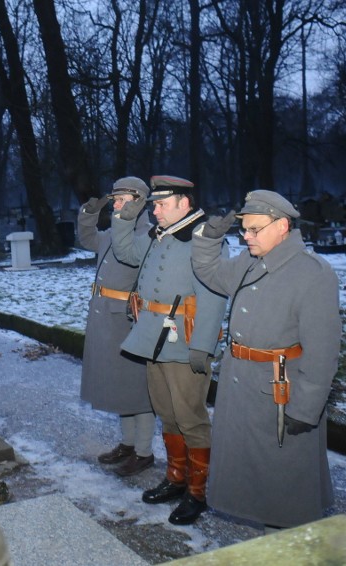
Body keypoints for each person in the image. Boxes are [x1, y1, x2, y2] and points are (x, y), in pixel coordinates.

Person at [191, 190, 342, 530]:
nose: (246, 237)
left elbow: (323, 352)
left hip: (280, 390)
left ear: (282, 226)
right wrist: (209, 239)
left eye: (254, 229)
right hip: (240, 381)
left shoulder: (313, 273)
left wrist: (305, 408)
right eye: (244, 229)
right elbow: (210, 274)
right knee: (247, 470)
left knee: (284, 478)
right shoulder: (250, 261)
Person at [111, 175, 227, 525]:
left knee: (191, 418)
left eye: (161, 204)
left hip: (185, 342)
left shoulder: (203, 239)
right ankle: (176, 478)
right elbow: (125, 252)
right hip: (153, 338)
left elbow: (213, 298)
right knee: (167, 413)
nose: (155, 210)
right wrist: (124, 217)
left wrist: (202, 348)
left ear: (184, 204)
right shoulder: (158, 235)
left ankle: (198, 491)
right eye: (154, 204)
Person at [78, 177, 157, 477]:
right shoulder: (113, 232)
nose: (117, 204)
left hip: (127, 317)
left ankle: (144, 451)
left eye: (123, 199)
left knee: (136, 388)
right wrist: (89, 212)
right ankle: (127, 443)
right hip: (103, 316)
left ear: (139, 201)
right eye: (115, 199)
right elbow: (87, 240)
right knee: (118, 386)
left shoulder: (147, 234)